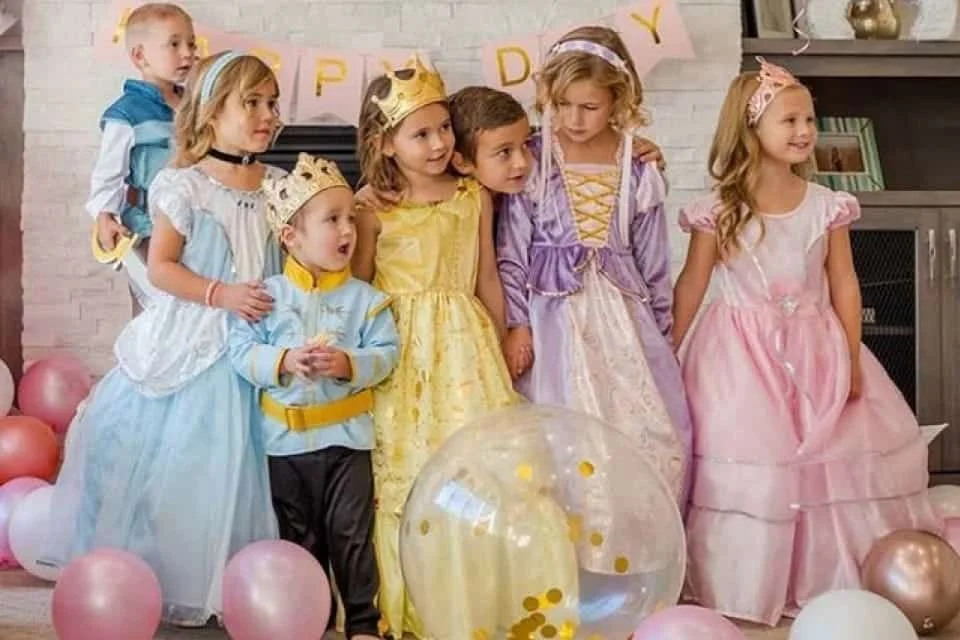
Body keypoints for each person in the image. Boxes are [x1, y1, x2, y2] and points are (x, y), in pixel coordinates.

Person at [672, 57, 943, 625]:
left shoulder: (825, 205)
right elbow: (694, 282)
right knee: (758, 461)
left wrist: (850, 355)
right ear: (752, 131)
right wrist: (668, 351)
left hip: (818, 348)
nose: (803, 132)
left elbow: (844, 281)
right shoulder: (719, 209)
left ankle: (836, 577)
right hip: (740, 358)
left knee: (835, 461)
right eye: (789, 121)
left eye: (809, 121)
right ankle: (747, 585)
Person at [45, 51, 284, 627]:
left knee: (252, 466)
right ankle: (168, 576)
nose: (268, 114)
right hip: (198, 332)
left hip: (264, 333)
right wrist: (221, 295)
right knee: (189, 459)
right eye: (250, 102)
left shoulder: (280, 183)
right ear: (208, 112)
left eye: (273, 103)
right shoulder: (183, 184)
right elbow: (164, 269)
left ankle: (249, 581)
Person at [353, 54, 578, 639]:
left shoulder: (471, 194)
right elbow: (357, 289)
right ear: (384, 144)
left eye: (443, 129)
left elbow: (485, 277)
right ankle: (417, 603)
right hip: (400, 354)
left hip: (466, 346)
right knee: (410, 469)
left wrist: (503, 339)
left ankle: (495, 595)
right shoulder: (372, 209)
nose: (436, 144)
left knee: (487, 467)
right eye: (420, 133)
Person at [496, 25, 693, 551]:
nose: (573, 120)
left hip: (621, 321)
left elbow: (654, 260)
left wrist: (663, 336)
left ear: (618, 101)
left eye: (588, 107)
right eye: (561, 105)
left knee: (646, 432)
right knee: (559, 437)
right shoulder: (530, 160)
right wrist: (516, 322)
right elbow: (511, 251)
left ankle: (632, 555)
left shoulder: (637, 165)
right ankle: (564, 561)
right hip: (550, 320)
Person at [228, 152, 398, 640]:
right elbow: (241, 353)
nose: (348, 230)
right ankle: (310, 619)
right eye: (332, 220)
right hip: (285, 444)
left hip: (348, 443)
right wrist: (282, 362)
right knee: (299, 540)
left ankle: (363, 623)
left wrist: (350, 364)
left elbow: (387, 355)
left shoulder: (367, 299)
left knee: (352, 536)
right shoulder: (266, 296)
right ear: (290, 236)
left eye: (351, 218)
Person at [87, 2, 196, 314]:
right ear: (140, 56)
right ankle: (143, 363)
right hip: (150, 225)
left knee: (192, 308)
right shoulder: (127, 114)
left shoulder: (196, 105)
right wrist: (104, 216)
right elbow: (108, 174)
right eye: (174, 44)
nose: (187, 53)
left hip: (196, 222)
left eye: (191, 43)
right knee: (157, 309)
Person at [447, 85, 667, 197]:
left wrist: (634, 150)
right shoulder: (456, 203)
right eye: (505, 152)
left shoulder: (535, 153)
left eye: (524, 144)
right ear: (462, 162)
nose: (522, 162)